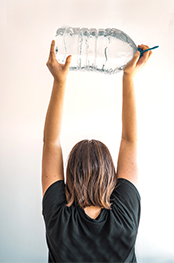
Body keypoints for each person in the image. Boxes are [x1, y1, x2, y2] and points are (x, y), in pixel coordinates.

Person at [42, 40, 152, 262]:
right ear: (111, 175)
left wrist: (59, 80)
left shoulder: (59, 218)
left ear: (70, 176)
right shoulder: (124, 216)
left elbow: (50, 142)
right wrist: (128, 77)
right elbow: (129, 141)